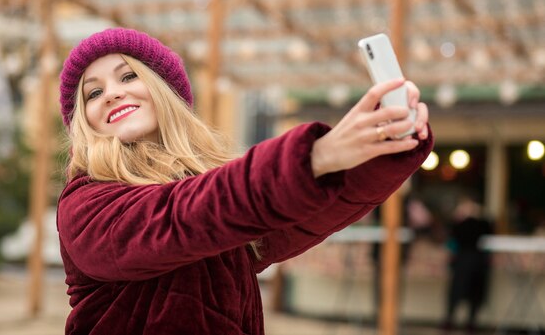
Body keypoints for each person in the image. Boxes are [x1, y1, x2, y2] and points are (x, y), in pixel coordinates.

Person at [56, 27, 433, 335]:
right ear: (83, 120)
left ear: (163, 90)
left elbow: (302, 218)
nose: (113, 93)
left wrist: (383, 149)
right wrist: (316, 155)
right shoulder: (85, 201)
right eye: (93, 92)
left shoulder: (217, 204)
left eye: (128, 75)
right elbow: (180, 217)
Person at [442, 197, 494, 333]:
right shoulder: (484, 223)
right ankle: (471, 323)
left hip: (463, 260)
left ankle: (450, 320)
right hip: (477, 261)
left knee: (457, 292)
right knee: (474, 293)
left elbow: (451, 242)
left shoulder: (460, 224)